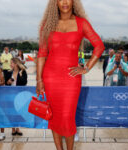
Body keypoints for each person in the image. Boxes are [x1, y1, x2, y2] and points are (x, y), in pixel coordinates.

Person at [36, 0, 105, 150]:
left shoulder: (82, 23)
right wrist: (39, 79)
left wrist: (86, 68)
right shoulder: (47, 25)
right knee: (54, 116)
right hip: (50, 77)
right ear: (55, 3)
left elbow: (99, 46)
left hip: (71, 79)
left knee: (67, 117)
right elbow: (42, 54)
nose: (65, 2)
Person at [7, 58, 27, 136]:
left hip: (19, 96)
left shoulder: (23, 72)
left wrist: (21, 76)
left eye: (11, 63)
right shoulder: (9, 73)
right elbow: (6, 83)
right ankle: (13, 129)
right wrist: (8, 82)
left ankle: (18, 128)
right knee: (12, 112)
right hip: (10, 95)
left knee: (18, 112)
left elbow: (24, 82)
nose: (10, 64)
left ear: (16, 64)